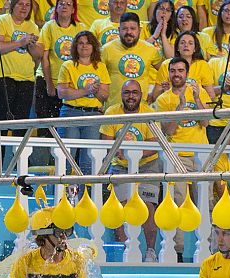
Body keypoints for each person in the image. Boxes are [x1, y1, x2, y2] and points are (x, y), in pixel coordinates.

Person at [99, 80, 162, 262]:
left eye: (135, 92)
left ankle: (150, 251)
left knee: (149, 208)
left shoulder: (149, 113)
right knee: (122, 207)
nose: (131, 96)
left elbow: (155, 144)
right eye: (127, 92)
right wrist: (121, 154)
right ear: (121, 94)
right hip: (120, 166)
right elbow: (106, 142)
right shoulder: (112, 112)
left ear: (141, 95)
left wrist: (134, 153)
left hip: (148, 165)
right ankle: (128, 250)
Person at [154, 56, 211, 211]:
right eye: (173, 71)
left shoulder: (199, 92)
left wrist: (197, 99)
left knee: (206, 203)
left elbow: (205, 123)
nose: (176, 74)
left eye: (180, 70)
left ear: (187, 73)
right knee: (178, 204)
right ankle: (177, 237)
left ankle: (209, 236)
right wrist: (180, 107)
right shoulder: (163, 99)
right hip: (176, 156)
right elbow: (168, 130)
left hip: (201, 154)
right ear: (168, 74)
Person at [56, 30, 109, 176]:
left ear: (93, 47)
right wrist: (86, 90)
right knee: (66, 158)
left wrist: (96, 91)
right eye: (80, 43)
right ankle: (62, 197)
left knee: (89, 160)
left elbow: (105, 95)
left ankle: (87, 196)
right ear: (75, 46)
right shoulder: (68, 65)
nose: (84, 46)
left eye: (88, 43)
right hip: (70, 112)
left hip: (93, 115)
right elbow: (62, 93)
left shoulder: (101, 66)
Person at [0, 0, 40, 134]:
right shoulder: (1, 21)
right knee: (2, 120)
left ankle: (18, 155)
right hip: (0, 76)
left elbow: (38, 55)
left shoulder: (32, 26)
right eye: (21, 4)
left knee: (21, 123)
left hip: (26, 78)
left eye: (27, 5)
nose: (24, 8)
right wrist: (20, 43)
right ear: (13, 5)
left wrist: (31, 44)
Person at [102, 12, 161, 108]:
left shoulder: (150, 49)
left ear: (140, 30)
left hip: (141, 109)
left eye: (133, 28)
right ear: (119, 30)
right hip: (113, 109)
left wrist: (155, 92)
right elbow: (97, 75)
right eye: (125, 28)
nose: (129, 32)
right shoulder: (106, 49)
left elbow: (165, 71)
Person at [37, 0, 83, 119]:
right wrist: (49, 84)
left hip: (69, 82)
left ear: (73, 10)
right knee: (47, 122)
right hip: (48, 79)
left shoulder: (80, 28)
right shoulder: (49, 26)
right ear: (56, 8)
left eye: (68, 4)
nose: (64, 7)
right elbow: (44, 57)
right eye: (61, 4)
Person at [150, 30, 213, 103]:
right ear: (177, 48)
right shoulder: (166, 65)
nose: (186, 45)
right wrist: (165, 92)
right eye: (182, 43)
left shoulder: (203, 65)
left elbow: (211, 96)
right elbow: (155, 97)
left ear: (195, 48)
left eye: (190, 43)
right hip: (171, 105)